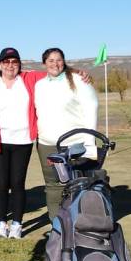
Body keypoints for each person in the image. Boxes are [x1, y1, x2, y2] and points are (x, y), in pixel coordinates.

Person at [0, 48, 44, 240]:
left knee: (17, 183)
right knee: (1, 183)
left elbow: (54, 70)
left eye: (14, 62)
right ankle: (1, 223)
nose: (10, 65)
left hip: (23, 141)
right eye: (6, 62)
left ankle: (16, 224)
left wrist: (77, 72)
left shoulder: (28, 80)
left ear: (19, 64)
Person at [34, 47, 99, 219]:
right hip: (47, 145)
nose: (55, 64)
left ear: (64, 61)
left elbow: (91, 110)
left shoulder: (78, 80)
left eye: (59, 59)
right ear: (44, 63)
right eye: (51, 60)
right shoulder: (39, 85)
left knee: (77, 185)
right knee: (53, 186)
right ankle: (57, 227)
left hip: (75, 144)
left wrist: (90, 144)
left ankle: (78, 225)